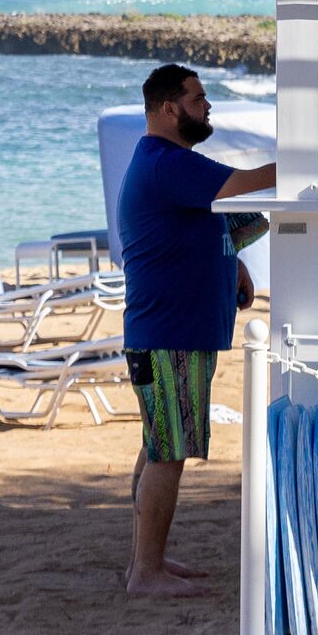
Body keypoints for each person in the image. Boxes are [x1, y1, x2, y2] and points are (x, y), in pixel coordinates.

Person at [115, 61, 277, 596]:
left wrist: (235, 262)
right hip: (170, 334)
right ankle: (146, 572)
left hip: (171, 331)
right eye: (198, 98)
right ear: (169, 109)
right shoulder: (167, 162)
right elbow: (245, 184)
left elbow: (222, 219)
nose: (208, 107)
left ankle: (145, 561)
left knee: (158, 445)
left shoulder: (167, 164)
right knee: (168, 451)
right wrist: (306, 162)